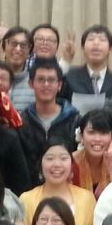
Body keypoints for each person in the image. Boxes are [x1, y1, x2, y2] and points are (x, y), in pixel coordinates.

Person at [21, 140, 98, 225]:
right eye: (50, 158)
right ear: (40, 164)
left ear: (71, 164)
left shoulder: (87, 199)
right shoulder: (26, 200)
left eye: (63, 158)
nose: (57, 164)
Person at [19, 58, 80, 186]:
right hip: (29, 190)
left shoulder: (74, 120)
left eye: (51, 80)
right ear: (31, 84)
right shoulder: (22, 121)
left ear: (59, 85)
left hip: (67, 188)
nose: (46, 84)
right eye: (41, 80)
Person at [70, 109, 112, 198]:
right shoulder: (71, 162)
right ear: (81, 136)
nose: (97, 139)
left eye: (103, 133)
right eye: (91, 132)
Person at [64, 24, 112, 100]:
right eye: (91, 39)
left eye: (102, 39)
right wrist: (65, 60)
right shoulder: (69, 77)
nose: (96, 43)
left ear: (110, 49)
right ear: (83, 48)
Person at [0, 26, 36, 110]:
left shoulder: (35, 83)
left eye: (23, 45)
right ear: (4, 47)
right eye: (13, 43)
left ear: (29, 51)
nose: (18, 49)